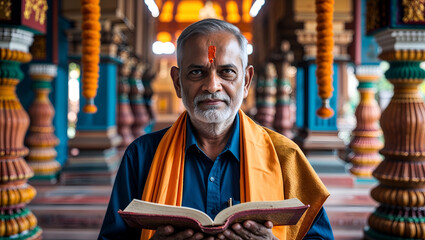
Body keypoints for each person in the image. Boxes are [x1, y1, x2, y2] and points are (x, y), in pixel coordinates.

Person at [98, 18, 333, 240]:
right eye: (197, 72)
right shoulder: (141, 156)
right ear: (178, 82)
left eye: (226, 72)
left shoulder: (285, 157)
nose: (212, 86)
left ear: (247, 81)